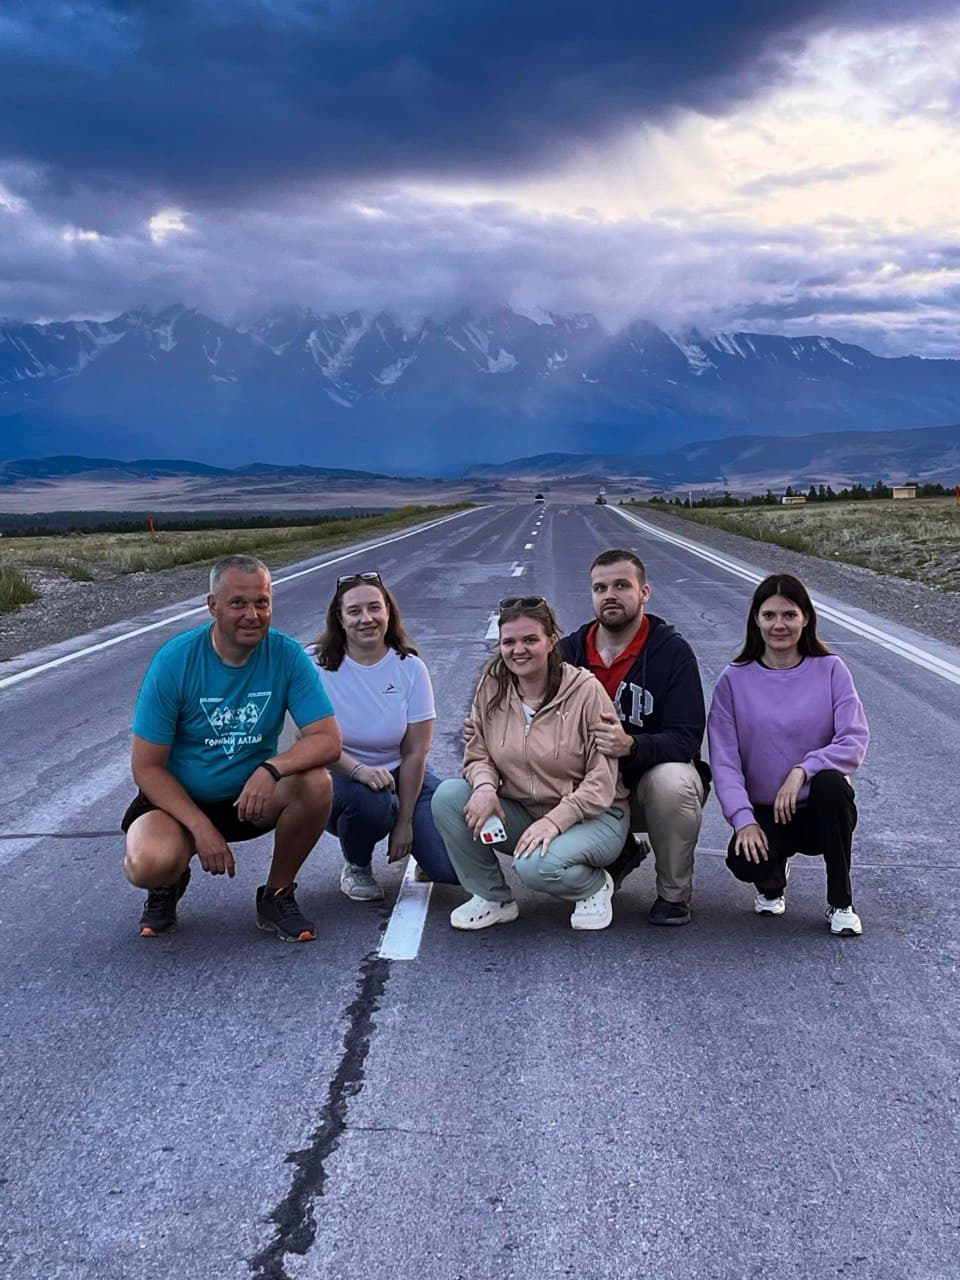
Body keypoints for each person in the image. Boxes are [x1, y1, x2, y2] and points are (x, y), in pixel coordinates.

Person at [122, 555, 340, 942]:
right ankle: (167, 881)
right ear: (213, 606)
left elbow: (328, 739)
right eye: (238, 603)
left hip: (250, 799)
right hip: (179, 804)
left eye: (262, 602)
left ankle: (276, 894)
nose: (252, 615)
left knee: (316, 783)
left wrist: (271, 769)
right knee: (148, 863)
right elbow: (146, 767)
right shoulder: (175, 661)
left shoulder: (286, 655)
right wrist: (199, 827)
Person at [432, 596, 628, 931]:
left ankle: (594, 886)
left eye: (530, 639)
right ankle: (492, 897)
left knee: (534, 867)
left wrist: (554, 821)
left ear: (551, 641)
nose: (518, 650)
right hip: (525, 810)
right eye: (509, 642)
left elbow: (601, 781)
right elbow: (478, 753)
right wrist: (484, 787)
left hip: (593, 816)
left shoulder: (586, 691)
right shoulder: (492, 686)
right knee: (449, 797)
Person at [707, 573, 869, 936]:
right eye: (769, 615)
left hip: (818, 809)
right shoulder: (734, 679)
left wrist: (803, 770)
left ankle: (841, 903)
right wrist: (743, 820)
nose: (779, 625)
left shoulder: (831, 669)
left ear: (805, 618)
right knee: (744, 862)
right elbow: (725, 762)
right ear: (756, 620)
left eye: (789, 615)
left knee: (832, 786)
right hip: (766, 810)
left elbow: (854, 739)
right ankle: (772, 879)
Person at [558, 549, 709, 926]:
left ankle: (674, 893)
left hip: (645, 789)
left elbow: (687, 738)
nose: (610, 595)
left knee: (673, 781)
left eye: (622, 586)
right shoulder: (567, 653)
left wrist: (632, 746)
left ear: (644, 593)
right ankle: (618, 854)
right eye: (600, 588)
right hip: (583, 788)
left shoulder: (671, 652)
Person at [313, 570, 458, 899]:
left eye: (374, 608)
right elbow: (305, 738)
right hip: (338, 776)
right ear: (340, 618)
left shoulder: (410, 668)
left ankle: (423, 848)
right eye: (354, 611)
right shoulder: (315, 664)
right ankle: (357, 865)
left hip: (400, 770)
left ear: (388, 612)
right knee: (373, 802)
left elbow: (415, 752)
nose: (366, 618)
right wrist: (358, 770)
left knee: (451, 870)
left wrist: (405, 822)